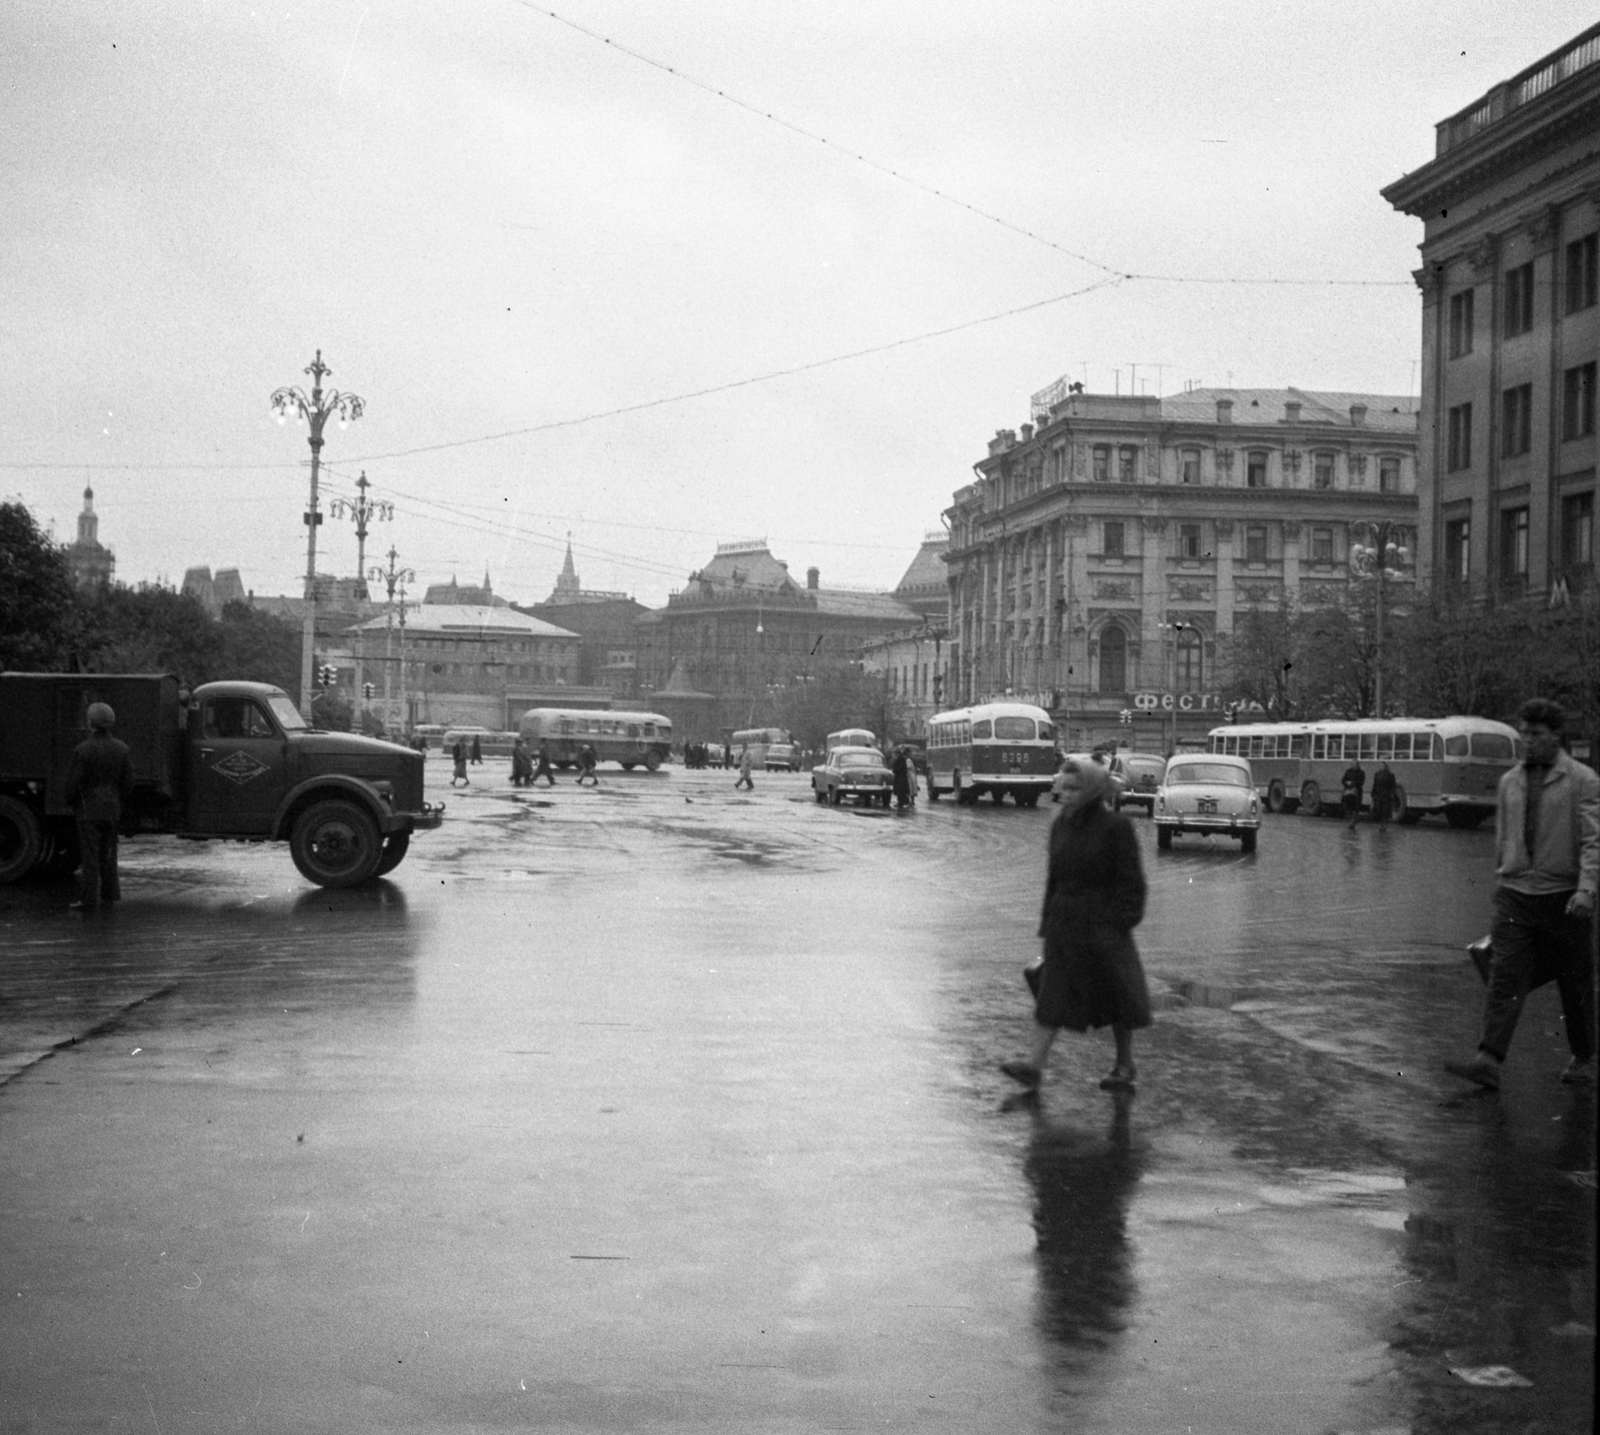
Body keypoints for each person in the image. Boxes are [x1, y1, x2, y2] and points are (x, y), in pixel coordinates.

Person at [1447, 698, 1597, 1091]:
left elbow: (1593, 841)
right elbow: (1504, 836)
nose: (1528, 741)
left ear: (1555, 735)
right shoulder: (1509, 781)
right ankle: (1489, 1059)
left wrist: (1587, 889)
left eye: (1537, 734)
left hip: (1563, 897)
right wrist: (1502, 876)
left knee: (1575, 980)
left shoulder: (1582, 780)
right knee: (1504, 976)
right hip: (1516, 894)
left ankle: (1584, 1056)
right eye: (1524, 733)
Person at [1002, 756, 1151, 1093]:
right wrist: (1047, 923)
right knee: (1051, 998)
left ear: (1092, 790)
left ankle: (1125, 1065)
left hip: (1104, 930)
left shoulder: (1116, 828)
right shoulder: (1061, 825)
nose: (1066, 794)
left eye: (1074, 788)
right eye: (1063, 787)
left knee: (1117, 999)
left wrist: (1119, 924)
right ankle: (1033, 1067)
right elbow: (1054, 880)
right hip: (1064, 928)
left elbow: (1133, 885)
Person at [65, 702, 134, 912]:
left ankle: (88, 899)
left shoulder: (82, 750)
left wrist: (73, 801)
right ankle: (110, 895)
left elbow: (73, 785)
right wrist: (118, 800)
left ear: (91, 723)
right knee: (109, 854)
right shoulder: (122, 749)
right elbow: (128, 784)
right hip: (112, 808)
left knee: (90, 856)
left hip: (88, 810)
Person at [1370, 761, 1397, 828]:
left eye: (1383, 766)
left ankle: (1383, 823)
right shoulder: (1377, 774)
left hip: (1386, 794)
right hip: (1378, 794)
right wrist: (1373, 793)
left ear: (1385, 767)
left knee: (1385, 809)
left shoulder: (1390, 775)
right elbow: (1375, 784)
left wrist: (1392, 793)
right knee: (1378, 808)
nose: (1381, 767)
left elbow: (1393, 785)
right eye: (1380, 766)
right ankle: (1381, 823)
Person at [1341, 757, 1366, 829]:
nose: (1354, 765)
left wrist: (1352, 783)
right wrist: (1347, 783)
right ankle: (1353, 820)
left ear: (1358, 765)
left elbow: (1361, 782)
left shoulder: (1361, 772)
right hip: (1348, 792)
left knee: (1356, 807)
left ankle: (1353, 821)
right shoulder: (1348, 771)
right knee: (1348, 807)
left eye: (1355, 764)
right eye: (1353, 764)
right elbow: (1343, 780)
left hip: (1357, 792)